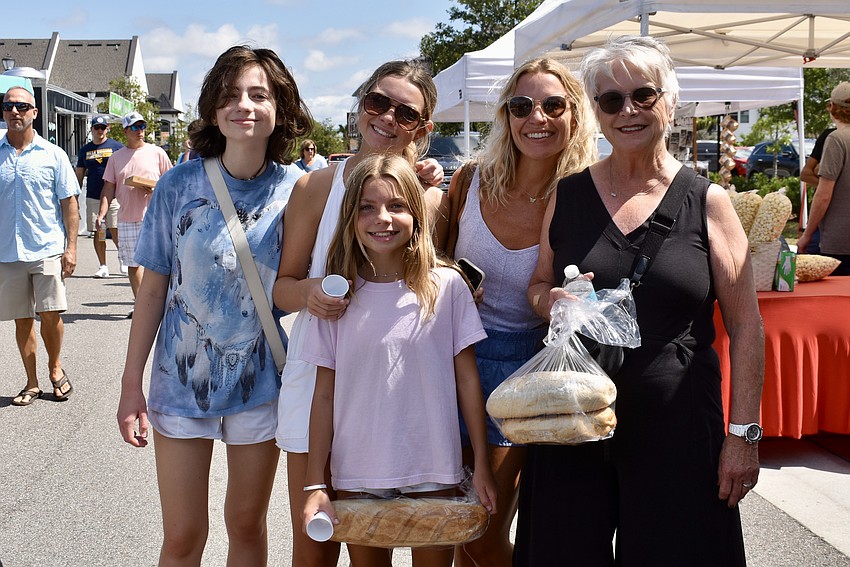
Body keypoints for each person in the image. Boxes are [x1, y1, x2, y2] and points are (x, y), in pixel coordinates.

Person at [515, 35, 764, 565]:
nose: (627, 110)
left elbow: (747, 327)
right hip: (573, 416)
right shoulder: (570, 192)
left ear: (669, 103)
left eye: (643, 95)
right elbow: (536, 285)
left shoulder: (708, 201)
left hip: (676, 428)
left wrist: (742, 435)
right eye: (610, 100)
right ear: (598, 114)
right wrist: (551, 301)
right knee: (563, 554)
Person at [115, 45, 312, 566]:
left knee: (245, 525)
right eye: (229, 95)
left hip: (262, 382)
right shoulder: (179, 184)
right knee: (183, 537)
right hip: (180, 384)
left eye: (258, 95)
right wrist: (129, 383)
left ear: (280, 108)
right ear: (212, 108)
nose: (243, 106)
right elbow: (153, 289)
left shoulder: (300, 189)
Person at [272, 59, 446, 567]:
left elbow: (438, 287)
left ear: (423, 129)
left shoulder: (430, 198)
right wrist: (309, 294)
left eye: (405, 113)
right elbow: (281, 288)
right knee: (315, 544)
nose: (387, 118)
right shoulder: (316, 188)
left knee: (392, 540)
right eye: (378, 102)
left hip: (396, 386)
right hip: (317, 376)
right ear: (361, 103)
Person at [300, 153, 497, 566]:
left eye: (396, 206)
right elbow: (323, 396)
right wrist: (315, 481)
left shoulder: (447, 287)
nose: (382, 219)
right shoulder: (336, 298)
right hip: (357, 471)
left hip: (435, 468)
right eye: (367, 207)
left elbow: (467, 381)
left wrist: (481, 465)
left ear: (417, 213)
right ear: (351, 217)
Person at [445, 57, 597, 567]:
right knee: (451, 523)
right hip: (450, 360)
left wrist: (564, 300)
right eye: (522, 105)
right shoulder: (469, 180)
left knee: (481, 534)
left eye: (554, 105)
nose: (538, 117)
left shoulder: (582, 198)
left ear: (574, 115)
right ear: (506, 116)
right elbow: (433, 258)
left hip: (525, 374)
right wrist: (452, 278)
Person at [1, 86, 79, 406]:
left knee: (51, 315)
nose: (14, 111)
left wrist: (71, 248)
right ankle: (31, 382)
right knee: (22, 319)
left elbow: (69, 205)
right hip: (7, 251)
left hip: (46, 246)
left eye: (22, 106)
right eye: (8, 106)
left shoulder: (54, 155)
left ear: (35, 113)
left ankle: (55, 366)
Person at [98, 111, 172, 317]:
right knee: (133, 263)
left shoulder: (157, 153)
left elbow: (171, 184)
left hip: (155, 217)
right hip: (127, 218)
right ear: (125, 131)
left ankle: (159, 304)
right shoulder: (116, 158)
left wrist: (154, 189)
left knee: (157, 263)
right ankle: (141, 306)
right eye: (134, 127)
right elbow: (108, 188)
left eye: (142, 126)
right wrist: (101, 213)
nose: (140, 131)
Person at [797, 82, 850, 275]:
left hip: (840, 242)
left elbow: (823, 195)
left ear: (833, 107)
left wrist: (807, 235)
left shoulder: (836, 139)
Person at [76, 115, 124, 278]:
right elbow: (80, 173)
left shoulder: (117, 147)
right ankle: (103, 265)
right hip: (93, 196)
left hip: (114, 196)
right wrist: (75, 197)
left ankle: (123, 260)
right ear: (92, 129)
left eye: (102, 128)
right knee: (99, 230)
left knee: (115, 228)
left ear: (107, 128)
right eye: (96, 128)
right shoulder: (85, 150)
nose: (99, 131)